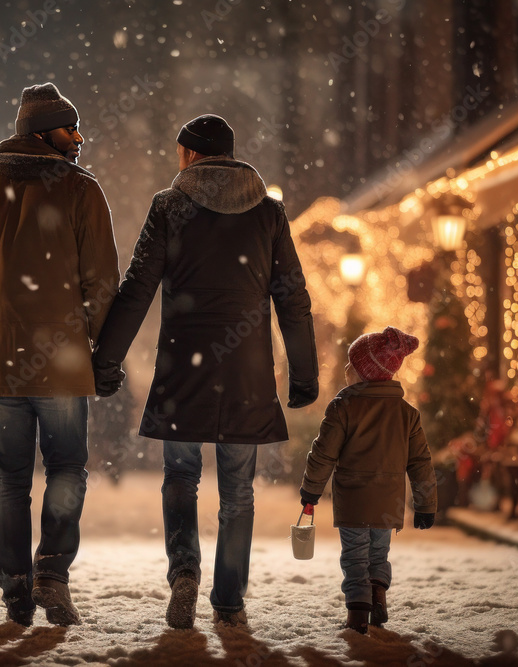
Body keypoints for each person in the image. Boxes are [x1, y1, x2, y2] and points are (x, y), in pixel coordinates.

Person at [92, 114, 318, 629]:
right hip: (247, 373)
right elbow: (293, 299)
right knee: (238, 490)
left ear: (191, 155)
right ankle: (230, 597)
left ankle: (184, 573)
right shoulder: (269, 213)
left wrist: (106, 360)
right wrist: (303, 376)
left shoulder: (169, 207)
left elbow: (137, 290)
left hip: (183, 371)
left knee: (180, 476)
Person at [0, 82, 119, 627]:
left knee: (9, 477)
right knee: (66, 468)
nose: (79, 138)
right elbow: (102, 282)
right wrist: (103, 355)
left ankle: (15, 586)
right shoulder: (81, 191)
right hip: (62, 362)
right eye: (71, 128)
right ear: (44, 133)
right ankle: (52, 574)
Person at [298, 327, 437, 634]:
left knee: (355, 557)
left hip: (353, 502)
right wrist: (426, 504)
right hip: (388, 504)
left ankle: (358, 616)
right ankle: (378, 594)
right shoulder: (406, 413)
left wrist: (311, 489)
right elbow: (420, 462)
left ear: (364, 372)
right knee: (378, 553)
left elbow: (323, 454)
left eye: (352, 364)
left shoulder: (343, 406)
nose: (347, 369)